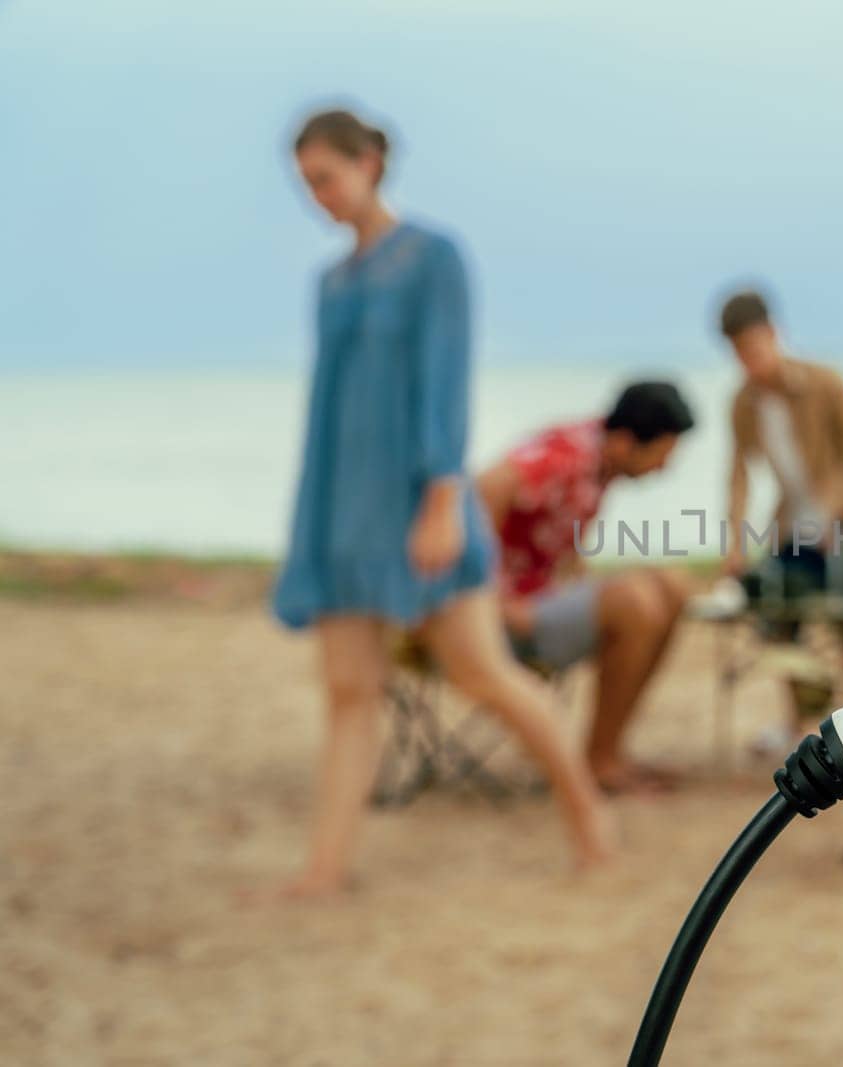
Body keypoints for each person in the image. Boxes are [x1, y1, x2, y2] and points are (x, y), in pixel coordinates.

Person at [266, 109, 615, 899]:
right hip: (343, 513)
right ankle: (326, 868)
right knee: (350, 691)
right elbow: (329, 410)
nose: (317, 196)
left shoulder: (433, 259)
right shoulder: (332, 281)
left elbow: (445, 382)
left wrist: (440, 499)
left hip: (422, 504)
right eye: (305, 184)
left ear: (370, 164)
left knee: (485, 677)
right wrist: (312, 523)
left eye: (325, 176)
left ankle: (588, 813)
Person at [476, 382, 696, 793]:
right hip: (499, 619)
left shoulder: (598, 461)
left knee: (672, 585)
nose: (663, 469)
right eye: (660, 456)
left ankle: (608, 751)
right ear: (627, 441)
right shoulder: (568, 454)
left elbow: (554, 531)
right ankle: (599, 762)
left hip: (537, 600)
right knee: (633, 602)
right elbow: (483, 490)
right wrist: (493, 599)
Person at [718, 289, 843, 740]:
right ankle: (796, 720)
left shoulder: (826, 384)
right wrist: (735, 544)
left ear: (773, 333)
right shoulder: (743, 404)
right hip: (790, 527)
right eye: (738, 352)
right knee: (777, 615)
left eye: (753, 347)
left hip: (841, 522)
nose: (748, 360)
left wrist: (836, 507)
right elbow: (738, 474)